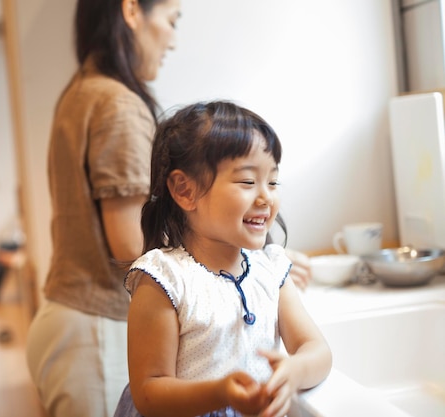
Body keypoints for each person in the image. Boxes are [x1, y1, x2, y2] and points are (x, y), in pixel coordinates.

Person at [113, 101, 332, 417]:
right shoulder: (165, 278)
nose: (265, 197)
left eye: (272, 181)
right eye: (247, 181)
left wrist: (294, 371)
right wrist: (219, 392)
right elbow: (149, 392)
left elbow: (318, 350)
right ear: (185, 190)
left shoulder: (270, 270)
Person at [26, 1, 182, 416]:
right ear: (131, 10)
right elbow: (130, 242)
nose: (173, 40)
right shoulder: (118, 103)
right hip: (96, 332)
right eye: (171, 20)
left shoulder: (82, 90)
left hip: (73, 321)